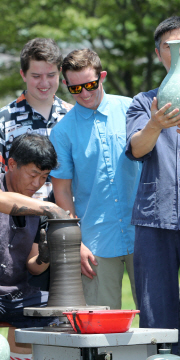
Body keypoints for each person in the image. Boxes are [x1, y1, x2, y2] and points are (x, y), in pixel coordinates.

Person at [0, 133, 68, 360]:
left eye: (44, 177)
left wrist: (45, 256)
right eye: (33, 174)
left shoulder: (40, 207)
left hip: (17, 296)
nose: (37, 184)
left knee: (67, 312)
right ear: (12, 164)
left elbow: (34, 267)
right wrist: (50, 209)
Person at [50, 49, 140, 311]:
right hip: (95, 240)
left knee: (158, 320)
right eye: (75, 88)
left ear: (102, 77)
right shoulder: (62, 131)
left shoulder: (132, 108)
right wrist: (76, 243)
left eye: (90, 85)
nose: (85, 93)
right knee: (101, 326)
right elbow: (62, 191)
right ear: (66, 85)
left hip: (144, 231)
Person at [125, 16, 180, 354]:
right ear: (158, 53)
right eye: (169, 47)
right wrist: (156, 125)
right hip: (154, 218)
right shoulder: (144, 102)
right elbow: (135, 149)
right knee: (157, 310)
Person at [0, 38, 73, 194]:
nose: (44, 83)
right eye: (36, 76)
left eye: (51, 75)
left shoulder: (73, 117)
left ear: (60, 72)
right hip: (16, 216)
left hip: (67, 216)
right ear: (23, 75)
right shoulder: (3, 120)